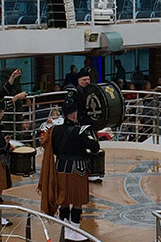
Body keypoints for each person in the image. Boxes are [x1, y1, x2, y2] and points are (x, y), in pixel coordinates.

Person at [38, 95, 100, 241]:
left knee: (63, 200)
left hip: (59, 168)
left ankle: (66, 230)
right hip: (77, 170)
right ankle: (75, 233)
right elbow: (95, 148)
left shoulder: (54, 130)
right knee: (77, 201)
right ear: (73, 114)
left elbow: (47, 147)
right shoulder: (80, 131)